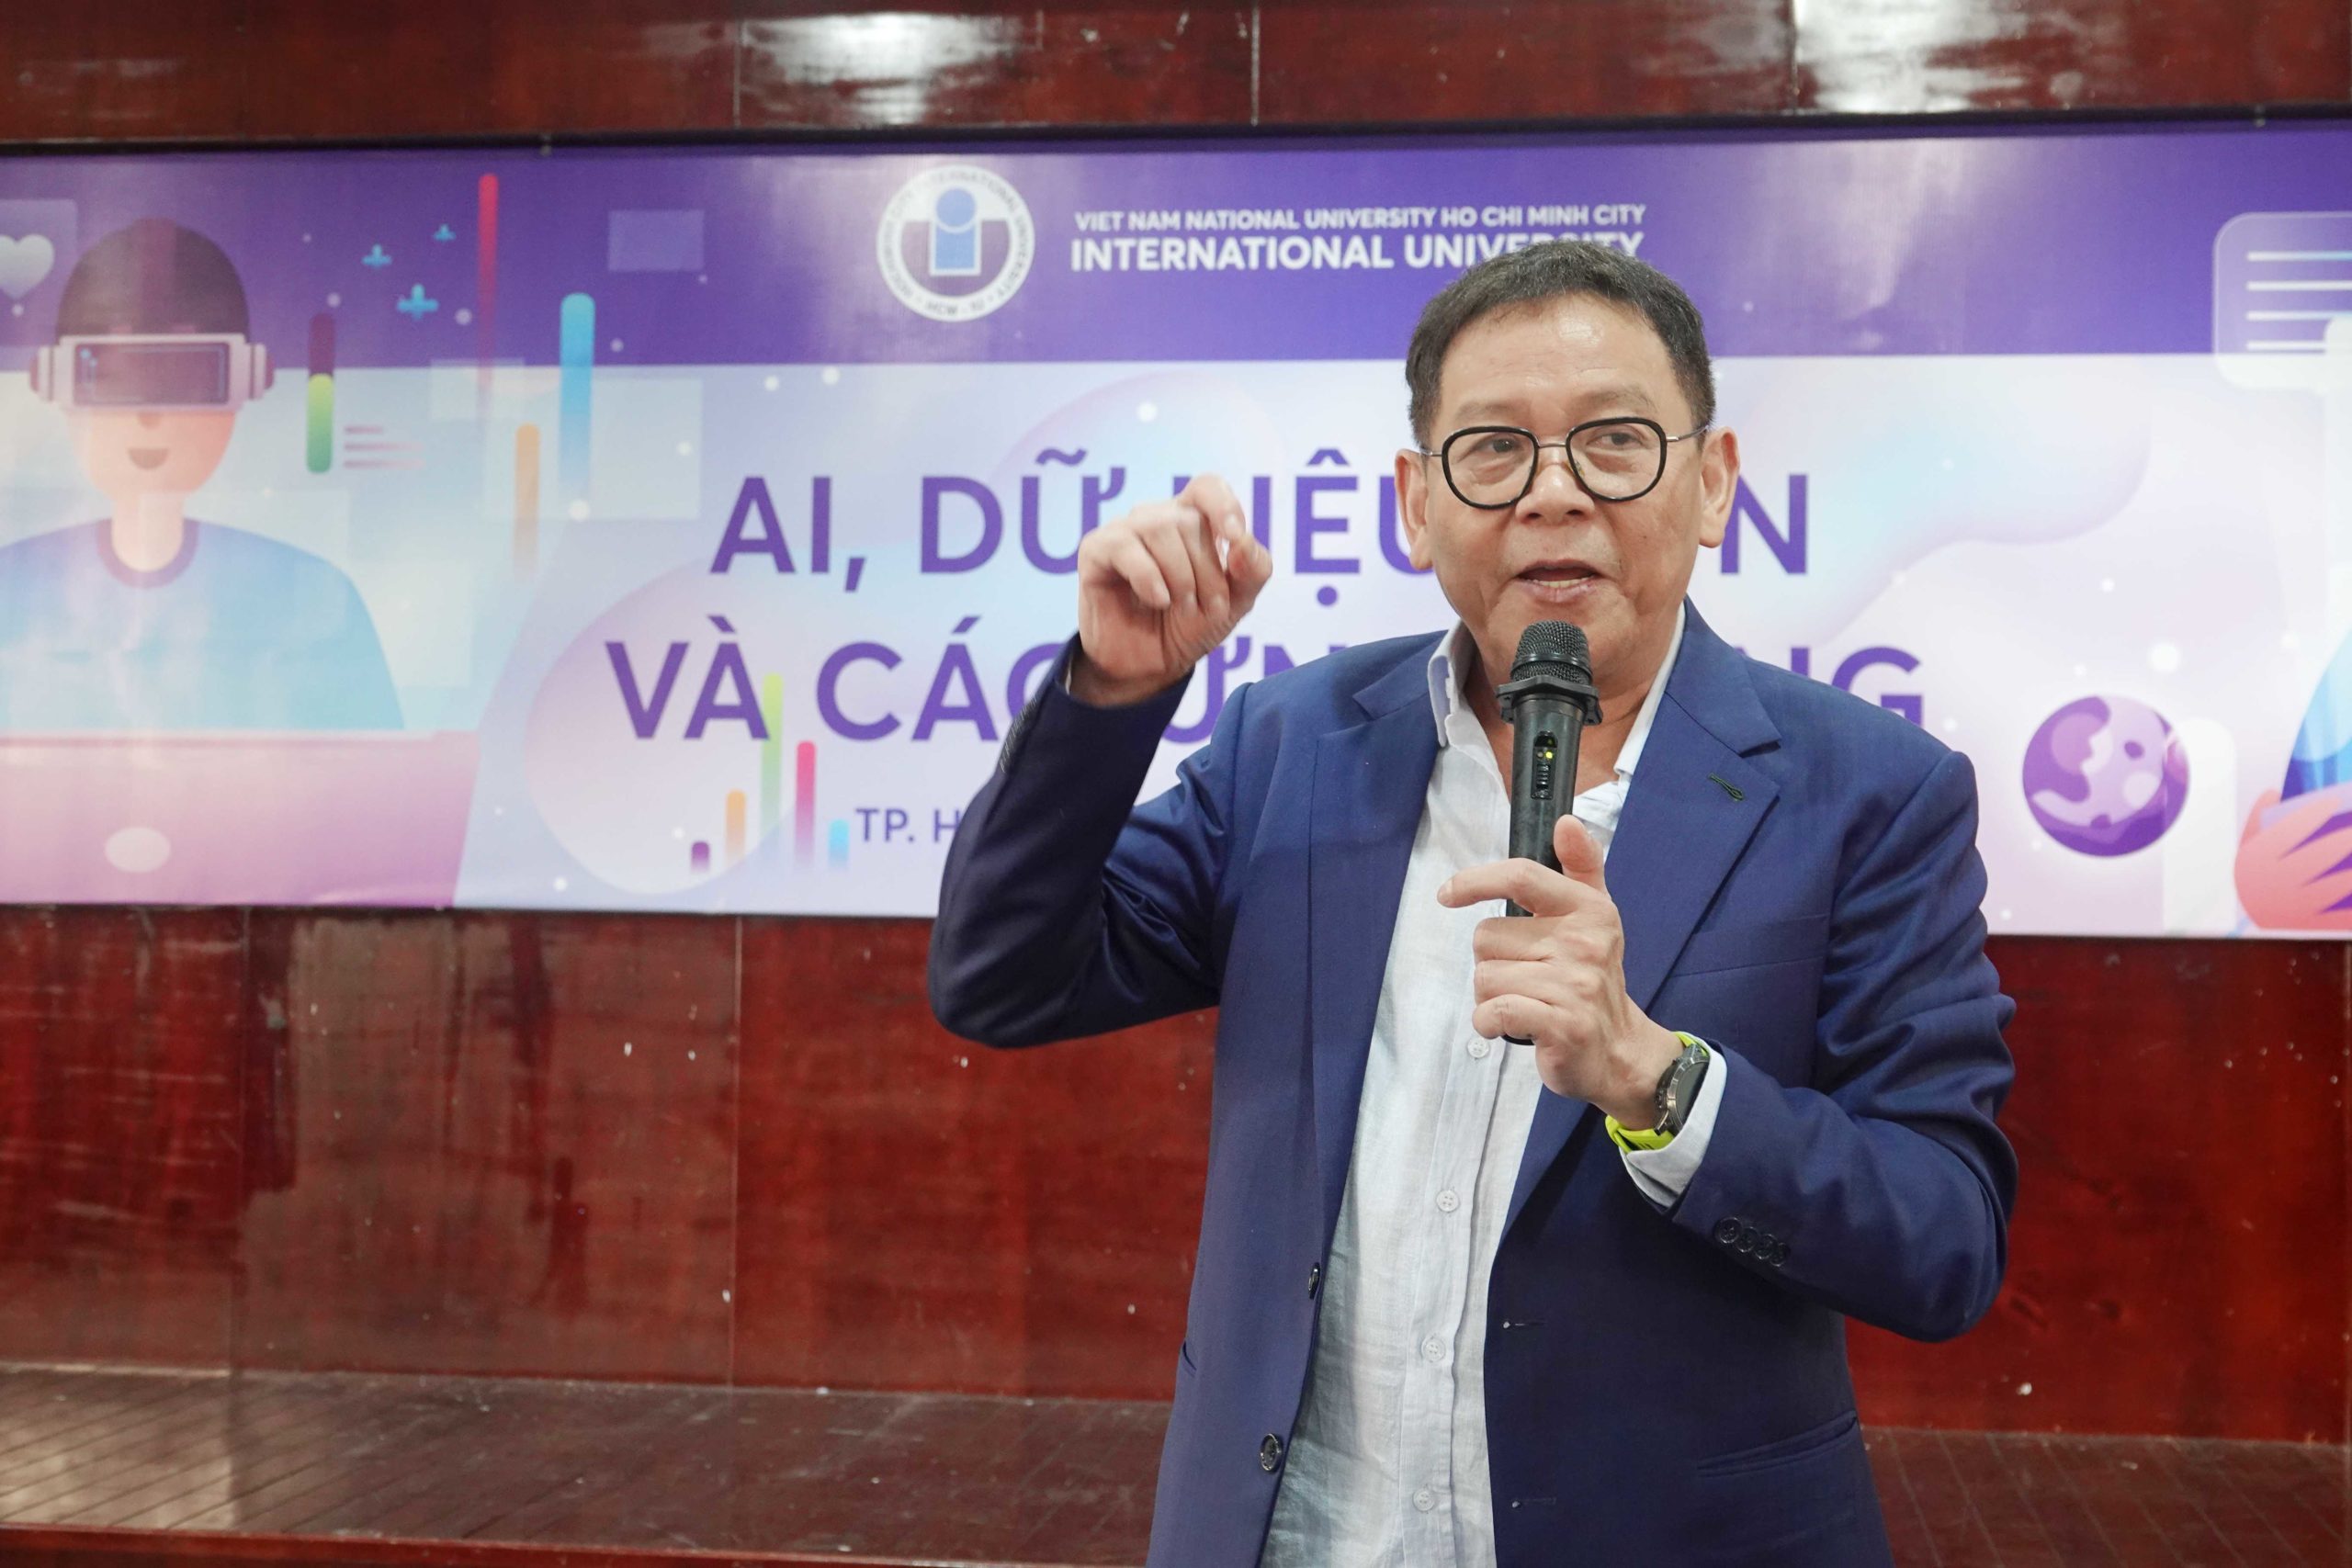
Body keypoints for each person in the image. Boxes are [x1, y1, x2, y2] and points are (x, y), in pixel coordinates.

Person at [930, 240, 2016, 1567]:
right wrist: (1110, 693)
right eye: (1495, 449)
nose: (1554, 493)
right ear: (1416, 501)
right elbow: (1000, 976)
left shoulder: (1867, 792)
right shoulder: (1298, 742)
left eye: (1613, 442)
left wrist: (1657, 1078)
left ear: (1713, 481)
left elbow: (1943, 1235)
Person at [0, 218, 401, 732]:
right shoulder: (12, 587)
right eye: (112, 378)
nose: (148, 415)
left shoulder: (315, 595)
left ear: (250, 380)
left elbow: (383, 772)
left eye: (187, 377)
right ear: (51, 382)